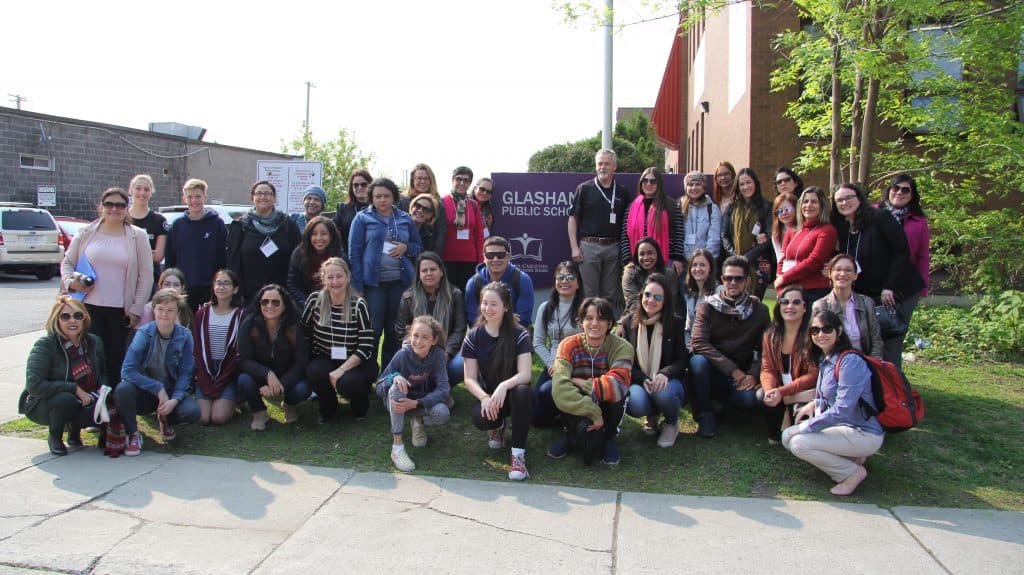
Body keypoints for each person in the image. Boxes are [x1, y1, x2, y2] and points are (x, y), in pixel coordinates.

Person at [782, 309, 884, 496]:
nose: (820, 334)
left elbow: (842, 409)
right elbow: (826, 395)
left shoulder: (850, 361)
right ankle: (852, 458)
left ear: (839, 331)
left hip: (862, 432)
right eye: (815, 330)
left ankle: (851, 473)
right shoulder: (827, 359)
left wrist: (805, 427)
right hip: (843, 428)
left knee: (798, 443)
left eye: (826, 329)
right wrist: (812, 404)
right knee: (787, 437)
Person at [61, 186, 154, 386]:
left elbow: (146, 276)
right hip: (87, 308)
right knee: (90, 359)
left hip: (121, 311)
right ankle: (91, 404)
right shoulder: (86, 232)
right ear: (101, 206)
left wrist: (137, 308)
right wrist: (71, 282)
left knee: (115, 360)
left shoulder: (138, 236)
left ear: (126, 208)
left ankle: (113, 404)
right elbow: (67, 263)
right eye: (109, 204)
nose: (114, 209)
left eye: (120, 205)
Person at [832, 182, 924, 367]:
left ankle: (895, 391)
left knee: (890, 341)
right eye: (839, 200)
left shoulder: (879, 217)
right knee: (870, 342)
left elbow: (901, 251)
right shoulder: (841, 226)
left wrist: (889, 286)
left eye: (849, 197)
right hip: (868, 292)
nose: (844, 202)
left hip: (897, 290)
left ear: (859, 198)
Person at [689, 255, 771, 438]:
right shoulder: (707, 307)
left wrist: (752, 374)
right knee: (697, 362)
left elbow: (766, 348)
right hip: (714, 371)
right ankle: (704, 414)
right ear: (722, 279)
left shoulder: (760, 311)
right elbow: (698, 343)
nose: (732, 282)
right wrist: (734, 371)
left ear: (747, 281)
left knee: (748, 400)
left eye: (738, 278)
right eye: (728, 278)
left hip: (742, 374)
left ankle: (723, 405)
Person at [462, 282, 534, 481]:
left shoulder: (520, 334)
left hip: (513, 396)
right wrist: (484, 397)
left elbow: (526, 374)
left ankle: (518, 456)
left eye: (494, 304)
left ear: (506, 307)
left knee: (523, 391)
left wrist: (504, 385)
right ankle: (498, 426)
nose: (488, 309)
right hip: (490, 398)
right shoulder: (473, 336)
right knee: (480, 418)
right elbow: (469, 379)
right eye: (485, 303)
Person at [116, 289, 201, 456]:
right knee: (122, 389)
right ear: (153, 310)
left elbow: (185, 374)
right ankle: (133, 434)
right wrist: (156, 388)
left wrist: (175, 399)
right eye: (160, 309)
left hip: (170, 390)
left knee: (192, 412)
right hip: (146, 391)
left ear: (177, 312)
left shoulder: (185, 336)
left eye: (170, 310)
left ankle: (165, 420)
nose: (164, 314)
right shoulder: (143, 333)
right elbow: (127, 370)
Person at [549, 297, 632, 465]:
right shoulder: (567, 345)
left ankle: (610, 439)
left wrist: (580, 382)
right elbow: (559, 389)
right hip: (580, 401)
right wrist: (592, 412)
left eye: (601, 318)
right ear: (581, 322)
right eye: (589, 318)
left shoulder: (622, 347)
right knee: (564, 392)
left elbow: (617, 386)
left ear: (610, 323)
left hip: (608, 402)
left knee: (619, 395)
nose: (594, 323)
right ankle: (570, 437)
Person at [349, 177, 421, 368]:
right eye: (377, 196)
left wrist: (406, 248)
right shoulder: (362, 218)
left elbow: (417, 247)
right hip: (373, 284)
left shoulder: (406, 219)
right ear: (371, 197)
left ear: (394, 197)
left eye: (386, 196)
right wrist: (357, 286)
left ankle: (389, 373)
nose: (382, 200)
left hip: (401, 282)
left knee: (394, 329)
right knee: (373, 329)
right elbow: (354, 254)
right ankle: (367, 370)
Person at [20, 298, 108, 455]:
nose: (72, 320)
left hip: (85, 398)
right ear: (56, 320)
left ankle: (75, 434)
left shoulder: (94, 342)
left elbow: (101, 375)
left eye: (77, 316)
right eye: (65, 316)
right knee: (66, 399)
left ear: (84, 318)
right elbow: (34, 385)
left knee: (111, 401)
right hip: (43, 403)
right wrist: (74, 389)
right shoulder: (45, 345)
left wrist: (105, 394)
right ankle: (55, 437)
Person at [302, 258, 377, 422]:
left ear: (348, 277)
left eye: (339, 276)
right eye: (330, 277)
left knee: (349, 384)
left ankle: (360, 405)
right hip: (325, 356)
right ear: (323, 279)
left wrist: (341, 370)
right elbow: (304, 331)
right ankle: (328, 408)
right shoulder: (315, 301)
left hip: (356, 360)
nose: (335, 281)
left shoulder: (359, 304)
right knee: (315, 372)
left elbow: (366, 346)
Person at [621, 274, 689, 448]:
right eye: (647, 295)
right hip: (640, 379)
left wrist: (664, 374)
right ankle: (652, 414)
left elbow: (682, 360)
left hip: (669, 382)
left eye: (658, 297)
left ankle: (671, 423)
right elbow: (627, 362)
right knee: (634, 403)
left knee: (662, 393)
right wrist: (643, 379)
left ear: (665, 300)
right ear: (641, 295)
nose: (651, 300)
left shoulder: (674, 322)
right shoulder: (630, 323)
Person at [377, 316, 452, 472]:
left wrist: (416, 403)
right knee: (397, 387)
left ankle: (417, 420)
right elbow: (379, 385)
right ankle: (397, 448)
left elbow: (444, 389)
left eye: (425, 337)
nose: (418, 341)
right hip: (396, 402)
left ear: (434, 340)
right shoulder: (402, 355)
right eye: (415, 336)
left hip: (418, 403)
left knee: (443, 412)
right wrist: (394, 377)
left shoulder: (438, 356)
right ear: (410, 336)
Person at [237, 284, 310, 430]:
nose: (269, 306)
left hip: (287, 374)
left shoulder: (294, 325)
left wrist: (279, 385)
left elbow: (301, 362)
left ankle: (289, 404)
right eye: (264, 302)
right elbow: (244, 359)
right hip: (260, 374)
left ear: (284, 305)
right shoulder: (249, 322)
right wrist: (267, 374)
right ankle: (259, 412)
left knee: (302, 389)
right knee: (244, 380)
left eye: (275, 302)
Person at [568, 149, 631, 304]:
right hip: (589, 246)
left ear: (614, 166)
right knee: (589, 295)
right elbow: (572, 218)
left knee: (609, 294)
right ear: (596, 166)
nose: (603, 167)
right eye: (600, 164)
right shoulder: (584, 188)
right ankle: (589, 327)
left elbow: (628, 223)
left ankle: (606, 327)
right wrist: (574, 247)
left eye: (607, 164)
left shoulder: (622, 192)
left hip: (613, 247)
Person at [395, 251, 467, 386]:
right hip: (417, 353)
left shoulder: (455, 295)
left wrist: (446, 353)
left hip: (445, 352)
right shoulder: (408, 298)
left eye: (433, 269)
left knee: (463, 363)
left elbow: (459, 329)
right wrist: (418, 351)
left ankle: (442, 387)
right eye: (424, 270)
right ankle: (426, 388)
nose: (428, 273)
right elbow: (400, 330)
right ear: (419, 275)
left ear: (441, 272)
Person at [879, 174, 930, 358]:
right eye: (895, 188)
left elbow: (923, 256)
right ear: (889, 190)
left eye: (905, 189)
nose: (899, 192)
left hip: (906, 287)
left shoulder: (919, 221)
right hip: (876, 284)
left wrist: (923, 289)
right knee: (873, 337)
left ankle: (894, 384)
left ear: (912, 194)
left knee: (894, 337)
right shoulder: (873, 213)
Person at [759, 285, 818, 443]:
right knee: (761, 395)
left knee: (799, 439)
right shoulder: (770, 335)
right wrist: (770, 390)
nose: (790, 306)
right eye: (785, 302)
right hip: (780, 389)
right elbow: (767, 369)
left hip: (805, 392)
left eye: (796, 302)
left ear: (805, 308)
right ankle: (775, 435)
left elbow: (813, 376)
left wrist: (783, 392)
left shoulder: (813, 335)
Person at [227, 180, 302, 304]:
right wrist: (236, 293)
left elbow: (298, 258)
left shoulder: (288, 224)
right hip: (249, 295)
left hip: (282, 294)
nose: (263, 197)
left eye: (267, 193)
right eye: (259, 193)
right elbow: (232, 262)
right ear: (253, 198)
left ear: (274, 198)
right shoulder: (241, 226)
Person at [531, 261, 584, 427]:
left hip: (579, 366)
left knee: (549, 391)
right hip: (554, 365)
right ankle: (562, 417)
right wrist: (551, 363)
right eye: (560, 277)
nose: (564, 281)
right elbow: (538, 342)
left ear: (578, 283)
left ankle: (573, 415)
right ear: (555, 281)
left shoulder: (586, 308)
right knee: (536, 417)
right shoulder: (545, 308)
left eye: (570, 277)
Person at [166, 178, 226, 313]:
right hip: (183, 289)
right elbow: (171, 258)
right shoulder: (177, 225)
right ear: (184, 199)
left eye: (198, 196)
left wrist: (219, 283)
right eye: (190, 197)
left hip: (210, 288)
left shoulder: (217, 224)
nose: (194, 201)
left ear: (205, 197)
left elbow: (222, 257)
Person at [193, 269, 244, 426]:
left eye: (227, 283)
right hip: (206, 370)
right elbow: (197, 347)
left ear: (235, 289)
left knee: (218, 418)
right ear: (213, 287)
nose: (221, 287)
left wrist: (224, 378)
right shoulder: (202, 312)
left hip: (228, 371)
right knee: (202, 418)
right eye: (218, 283)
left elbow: (239, 352)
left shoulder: (241, 315)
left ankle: (235, 401)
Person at [775, 186, 837, 307]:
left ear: (822, 205)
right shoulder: (792, 231)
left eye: (814, 202)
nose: (808, 205)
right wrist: (780, 287)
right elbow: (782, 260)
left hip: (814, 292)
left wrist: (784, 278)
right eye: (805, 201)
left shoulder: (827, 231)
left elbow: (815, 261)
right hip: (790, 291)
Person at [812, 254, 883, 358]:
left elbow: (876, 340)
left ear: (855, 275)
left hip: (865, 364)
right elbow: (817, 343)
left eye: (848, 270)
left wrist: (872, 366)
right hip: (834, 364)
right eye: (838, 269)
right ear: (830, 274)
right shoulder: (820, 306)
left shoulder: (867, 303)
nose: (843, 273)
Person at [619, 167, 685, 276]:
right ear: (641, 183)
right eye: (645, 180)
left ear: (659, 184)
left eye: (653, 181)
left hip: (666, 262)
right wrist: (628, 260)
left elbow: (679, 233)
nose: (648, 184)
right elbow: (625, 236)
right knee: (639, 293)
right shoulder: (632, 207)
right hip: (638, 263)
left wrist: (677, 258)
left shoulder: (671, 205)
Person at [722, 168, 773, 298]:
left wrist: (747, 258)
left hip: (758, 264)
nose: (746, 187)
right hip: (735, 262)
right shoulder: (731, 208)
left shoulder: (766, 207)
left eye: (748, 182)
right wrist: (736, 256)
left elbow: (768, 236)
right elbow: (724, 235)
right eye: (742, 184)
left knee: (754, 305)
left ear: (755, 183)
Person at [464, 235, 534, 327]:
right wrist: (507, 318)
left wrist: (487, 319)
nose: (495, 259)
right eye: (490, 255)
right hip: (483, 338)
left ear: (508, 256)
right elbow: (472, 321)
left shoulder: (522, 280)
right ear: (484, 257)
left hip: (514, 337)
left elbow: (523, 321)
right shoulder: (473, 283)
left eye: (500, 255)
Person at [441, 166, 485, 291]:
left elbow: (479, 235)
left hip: (470, 260)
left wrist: (481, 260)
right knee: (448, 296)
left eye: (466, 180)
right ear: (452, 180)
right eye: (458, 179)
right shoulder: (442, 202)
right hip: (447, 259)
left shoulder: (473, 205)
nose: (462, 183)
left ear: (470, 183)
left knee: (467, 296)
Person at [287, 216, 344, 307]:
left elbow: (342, 283)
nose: (319, 238)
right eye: (314, 234)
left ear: (331, 236)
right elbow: (293, 284)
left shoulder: (339, 255)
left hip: (333, 303)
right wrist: (308, 304)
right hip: (304, 304)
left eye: (324, 233)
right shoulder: (299, 253)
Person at [621, 237, 678, 320]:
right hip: (635, 316)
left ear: (657, 254)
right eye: (642, 254)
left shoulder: (669, 274)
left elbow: (671, 303)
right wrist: (646, 323)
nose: (646, 257)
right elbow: (633, 302)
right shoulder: (630, 272)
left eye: (650, 253)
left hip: (664, 318)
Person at [126, 174, 167, 289]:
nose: (142, 193)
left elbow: (158, 256)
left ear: (151, 192)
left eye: (146, 189)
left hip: (151, 279)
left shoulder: (159, 220)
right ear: (131, 190)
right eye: (138, 188)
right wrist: (148, 253)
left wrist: (129, 253)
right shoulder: (122, 218)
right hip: (125, 277)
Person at [401, 163, 447, 258]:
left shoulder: (438, 205)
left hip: (427, 253)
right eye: (418, 178)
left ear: (431, 181)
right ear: (412, 181)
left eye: (426, 178)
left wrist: (435, 258)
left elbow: (440, 235)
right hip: (403, 253)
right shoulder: (402, 201)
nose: (422, 181)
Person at [679, 170, 722, 261]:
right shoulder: (678, 208)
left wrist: (704, 260)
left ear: (703, 187)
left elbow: (714, 239)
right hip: (683, 262)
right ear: (685, 188)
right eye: (690, 184)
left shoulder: (713, 209)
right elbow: (677, 236)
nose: (694, 187)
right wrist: (690, 259)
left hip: (706, 263)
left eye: (698, 184)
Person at [680, 248, 718, 349]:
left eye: (702, 265)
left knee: (698, 363)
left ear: (710, 268)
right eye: (694, 265)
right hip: (691, 343)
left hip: (712, 345)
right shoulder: (687, 293)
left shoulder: (718, 292)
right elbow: (688, 329)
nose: (698, 268)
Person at [333, 169, 373, 248]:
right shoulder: (343, 209)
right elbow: (332, 231)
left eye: (363, 184)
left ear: (371, 186)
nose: (359, 187)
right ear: (352, 188)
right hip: (348, 256)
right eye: (355, 185)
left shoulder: (378, 208)